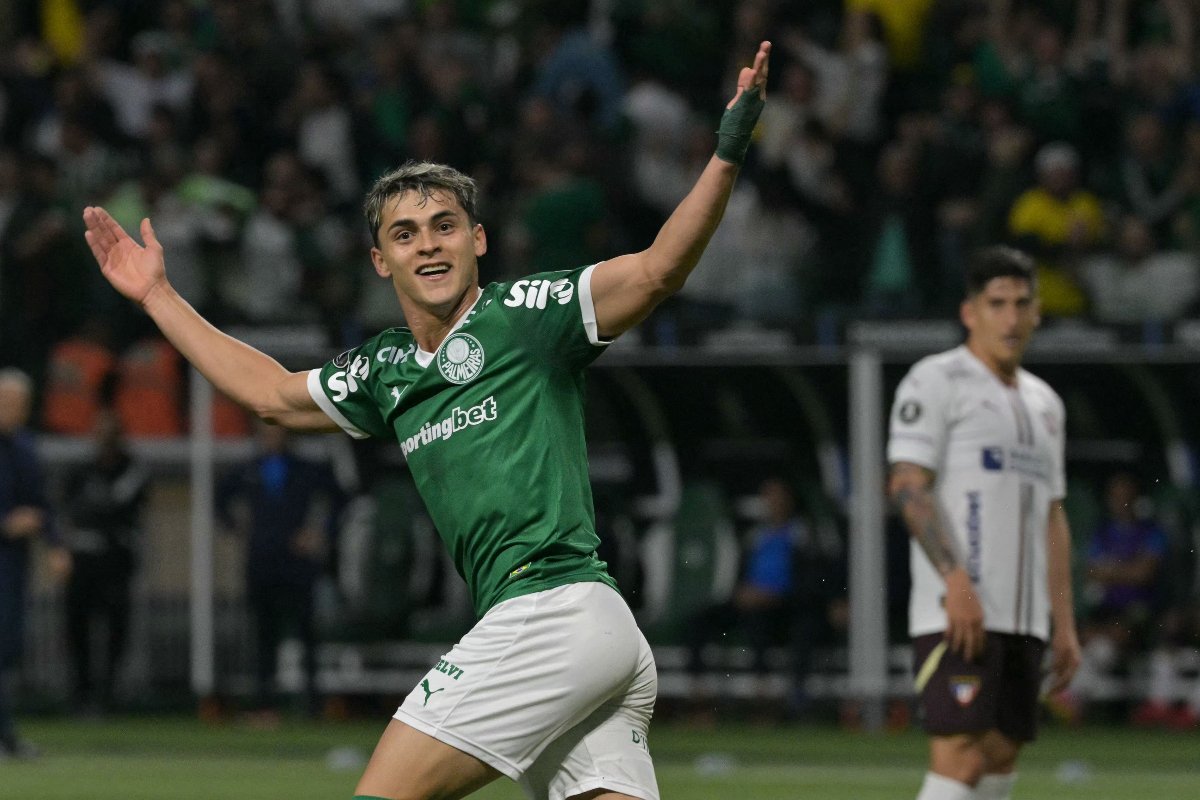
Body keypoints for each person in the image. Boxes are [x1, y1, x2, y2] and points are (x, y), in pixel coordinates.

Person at [82, 40, 771, 800]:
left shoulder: (524, 316)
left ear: (477, 241)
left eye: (445, 226)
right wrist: (157, 297)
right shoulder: (384, 371)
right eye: (405, 235)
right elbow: (271, 393)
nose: (428, 245)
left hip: (553, 613)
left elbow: (656, 269)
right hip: (582, 638)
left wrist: (727, 155)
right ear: (381, 261)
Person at [887, 246, 1081, 800]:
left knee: (999, 757)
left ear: (1038, 312)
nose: (1011, 318)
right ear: (970, 312)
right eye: (997, 304)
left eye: (1022, 304)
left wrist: (1062, 622)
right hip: (958, 611)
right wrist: (954, 581)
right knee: (961, 757)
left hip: (1025, 620)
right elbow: (906, 485)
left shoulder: (1046, 403)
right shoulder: (937, 379)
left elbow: (1052, 514)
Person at [217, 423, 344, 721]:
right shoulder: (249, 469)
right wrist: (236, 526)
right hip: (261, 562)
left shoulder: (307, 469)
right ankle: (266, 704)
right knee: (263, 635)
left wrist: (320, 532)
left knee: (306, 634)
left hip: (297, 564)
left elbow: (341, 499)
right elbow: (220, 498)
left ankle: (312, 704)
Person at [0, 368, 71, 760]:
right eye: (6, 403)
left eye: (19, 405)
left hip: (10, 565)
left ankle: (6, 736)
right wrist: (5, 525)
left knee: (7, 649)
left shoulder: (23, 448)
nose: (13, 411)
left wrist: (57, 545)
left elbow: (41, 504)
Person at [61, 408, 150, 715]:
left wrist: (96, 515)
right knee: (77, 629)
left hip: (116, 561)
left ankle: (109, 694)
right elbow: (72, 509)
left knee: (116, 630)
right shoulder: (81, 469)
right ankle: (81, 695)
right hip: (83, 560)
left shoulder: (132, 469)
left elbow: (118, 508)